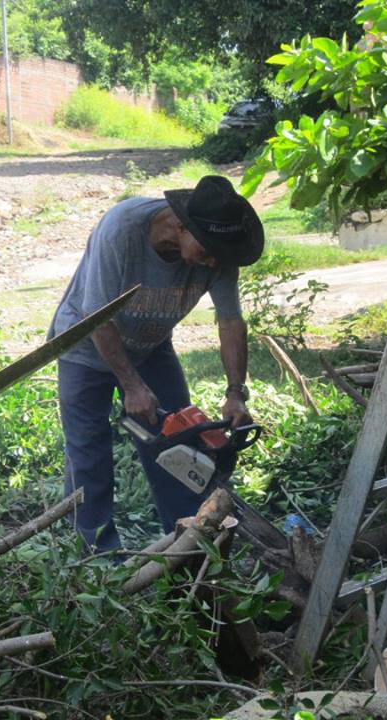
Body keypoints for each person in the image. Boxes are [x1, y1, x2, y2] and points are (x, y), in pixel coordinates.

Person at [49, 175, 264, 554]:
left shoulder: (220, 250)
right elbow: (97, 316)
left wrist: (235, 393)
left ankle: (190, 544)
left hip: (150, 346)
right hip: (85, 345)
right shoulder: (123, 230)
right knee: (90, 455)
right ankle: (97, 559)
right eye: (208, 251)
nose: (213, 261)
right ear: (181, 225)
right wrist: (131, 386)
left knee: (178, 445)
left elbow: (230, 320)